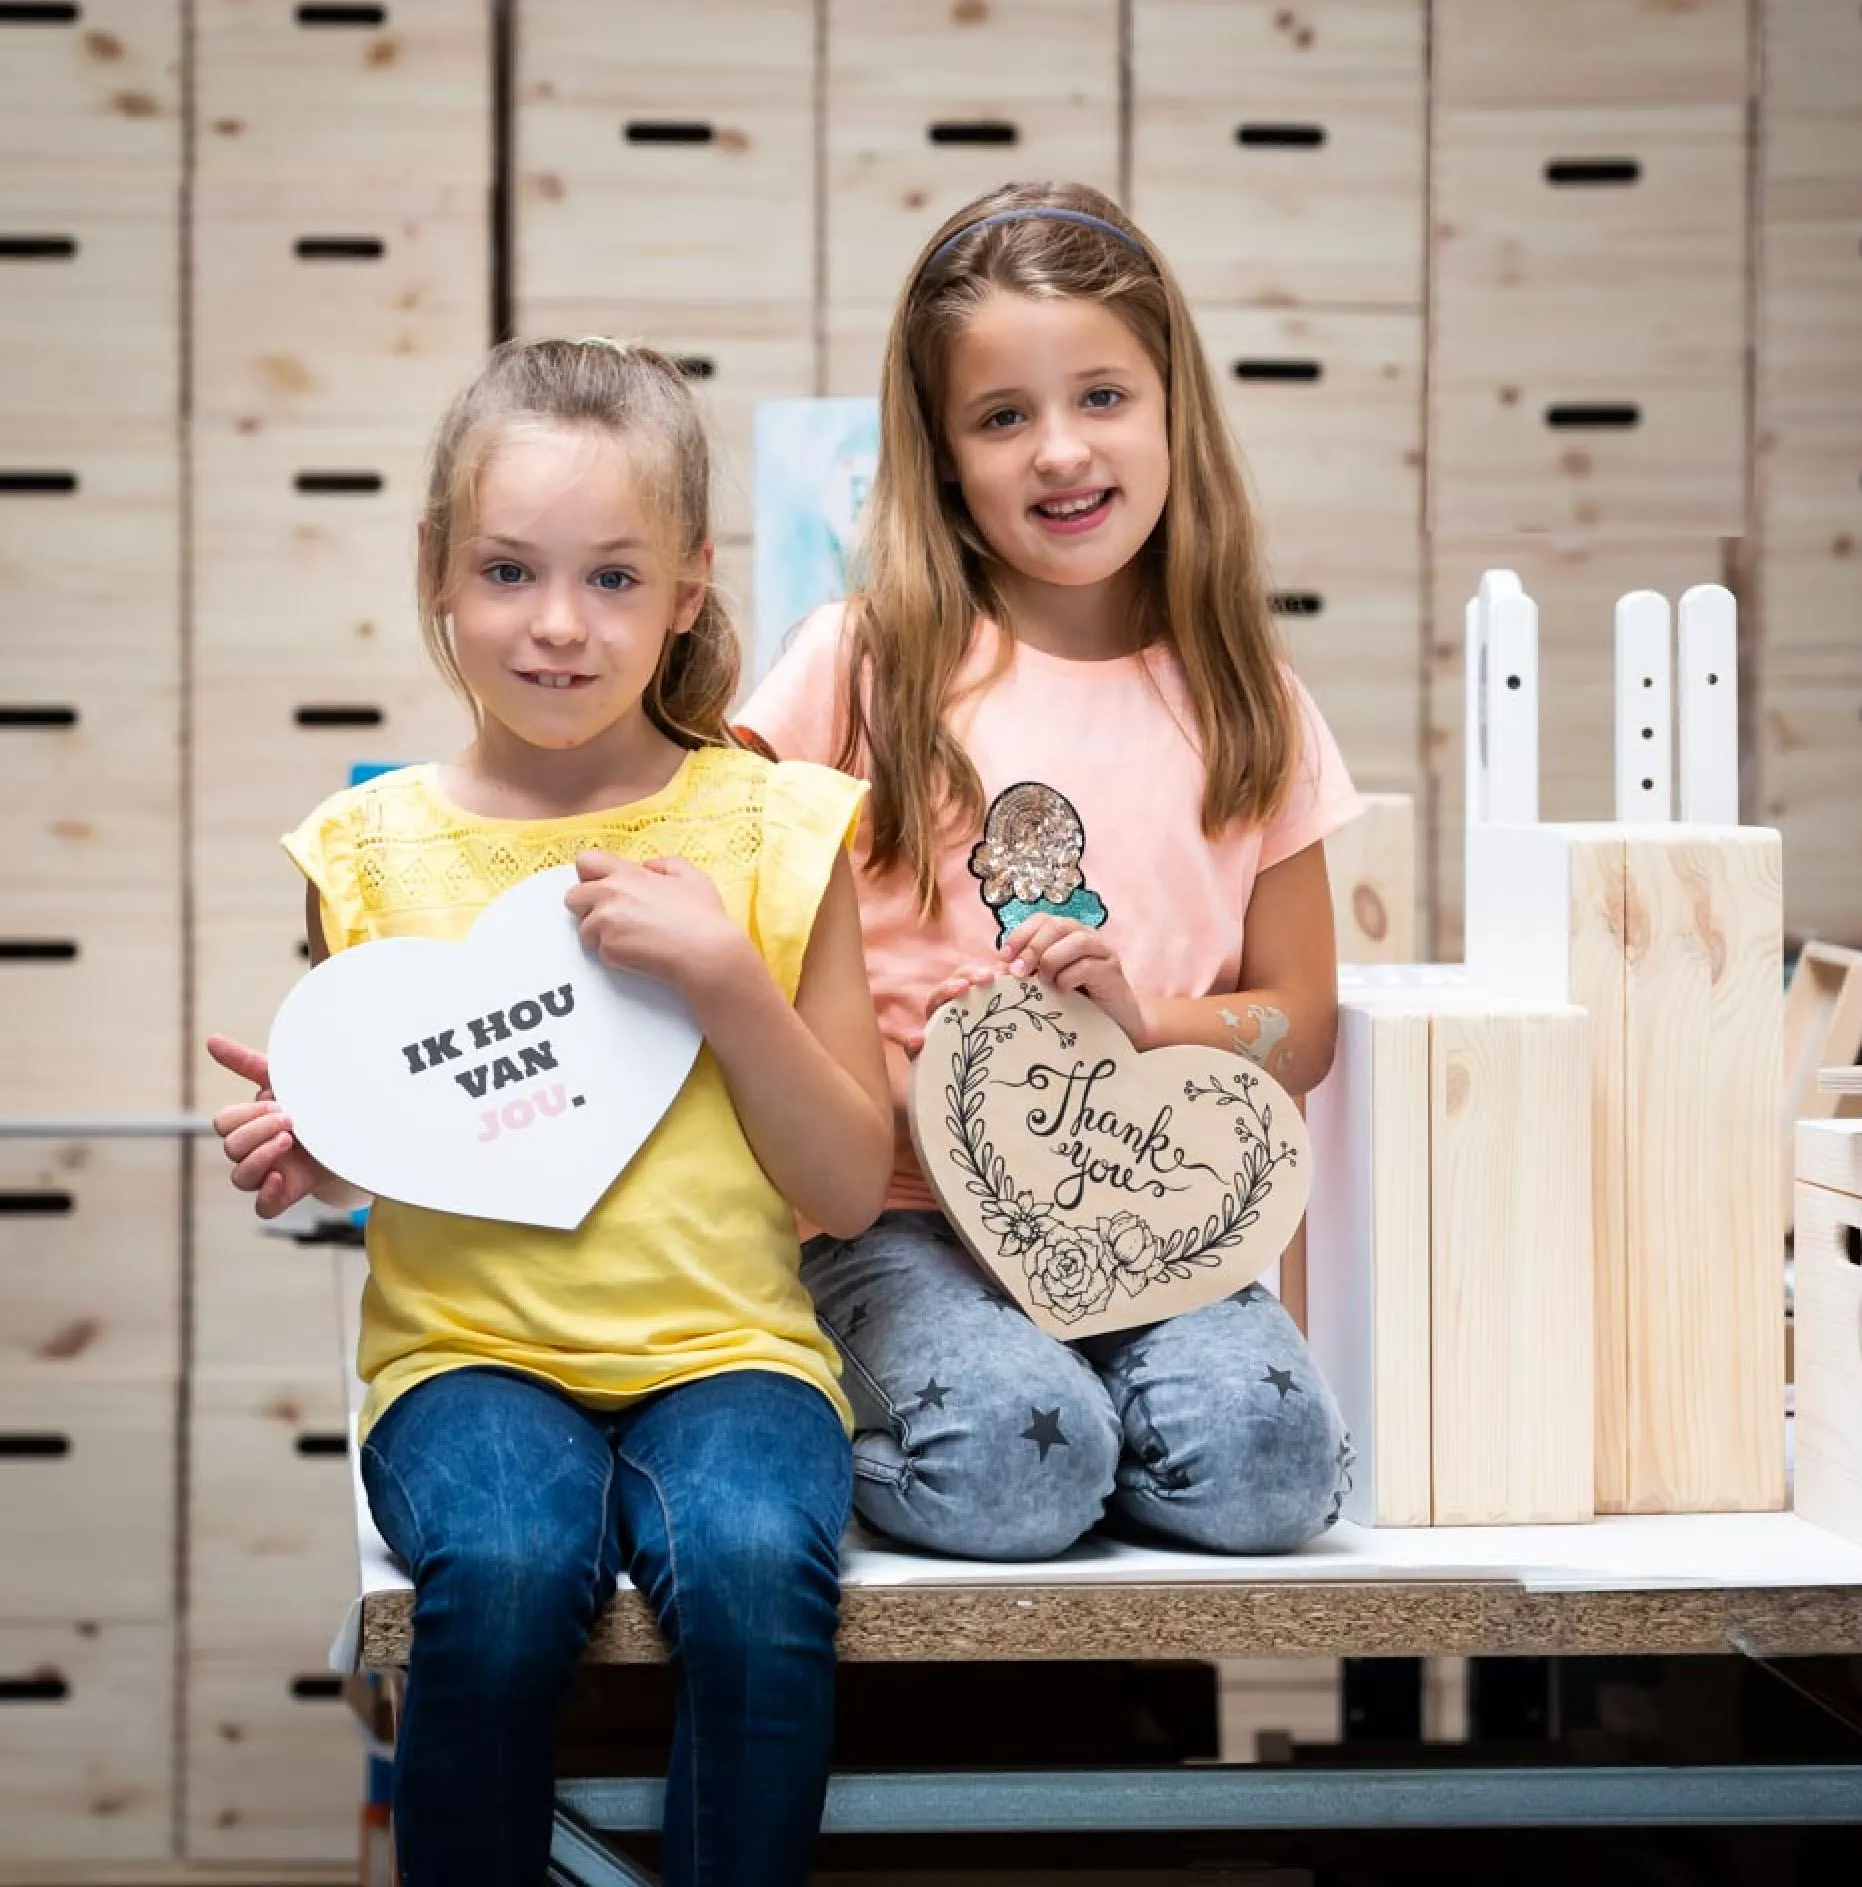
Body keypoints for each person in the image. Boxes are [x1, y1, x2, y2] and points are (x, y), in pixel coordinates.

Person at [205, 338, 892, 1887]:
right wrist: (319, 1150)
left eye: (613, 579)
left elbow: (848, 1185)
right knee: (508, 1568)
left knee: (751, 1569)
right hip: (466, 1361)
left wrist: (729, 982)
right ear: (438, 572)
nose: (559, 627)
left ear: (690, 590)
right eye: (510, 571)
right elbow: (388, 1137)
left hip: (732, 1357)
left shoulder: (781, 831)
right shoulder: (368, 851)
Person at [735, 182, 1360, 1563]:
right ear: (943, 454)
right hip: (897, 1221)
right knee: (1016, 1472)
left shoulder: (1251, 697)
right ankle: (868, 1422)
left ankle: (1086, 1424)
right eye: (1002, 417)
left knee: (1266, 1470)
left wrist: (1152, 1026)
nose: (1060, 452)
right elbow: (723, 920)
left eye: (1102, 397)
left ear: (1173, 409)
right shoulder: (862, 662)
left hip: (1152, 1207)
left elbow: (1300, 1021)